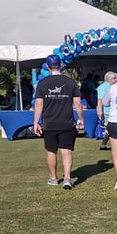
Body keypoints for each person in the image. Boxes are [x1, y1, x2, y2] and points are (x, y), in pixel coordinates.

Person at [33, 55, 83, 189]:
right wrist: (81, 118)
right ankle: (67, 178)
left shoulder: (42, 83)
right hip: (67, 122)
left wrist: (36, 122)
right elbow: (77, 102)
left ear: (48, 67)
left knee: (51, 151)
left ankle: (54, 178)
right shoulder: (71, 82)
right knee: (66, 151)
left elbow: (38, 103)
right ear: (60, 66)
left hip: (49, 123)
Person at [95, 71, 117, 150]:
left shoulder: (114, 86)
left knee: (110, 129)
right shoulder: (103, 87)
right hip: (106, 111)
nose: (116, 80)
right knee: (110, 128)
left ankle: (104, 144)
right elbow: (99, 100)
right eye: (114, 78)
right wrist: (100, 111)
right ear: (109, 79)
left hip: (114, 110)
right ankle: (111, 144)